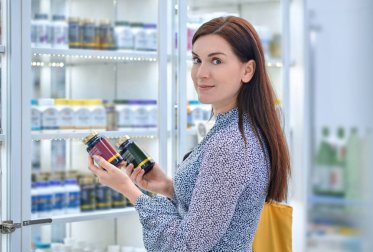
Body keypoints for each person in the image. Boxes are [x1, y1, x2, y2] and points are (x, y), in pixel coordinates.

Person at [88, 16, 290, 252]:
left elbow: (185, 246)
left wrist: (129, 190)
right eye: (197, 60)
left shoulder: (230, 144)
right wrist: (166, 186)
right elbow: (216, 211)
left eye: (216, 61)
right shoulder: (239, 129)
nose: (200, 73)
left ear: (248, 70)